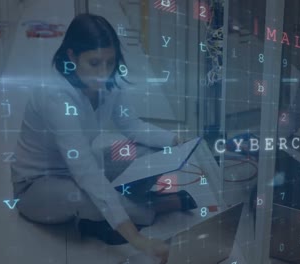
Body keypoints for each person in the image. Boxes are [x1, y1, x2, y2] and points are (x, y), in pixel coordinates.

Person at [10, 13, 196, 263]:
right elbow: (85, 170)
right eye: (94, 63)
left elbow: (131, 125)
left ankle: (110, 213)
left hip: (77, 168)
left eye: (110, 63)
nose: (103, 73)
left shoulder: (108, 82)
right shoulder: (55, 95)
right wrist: (138, 240)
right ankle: (147, 209)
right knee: (88, 196)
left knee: (147, 152)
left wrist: (175, 140)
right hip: (37, 187)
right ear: (72, 56)